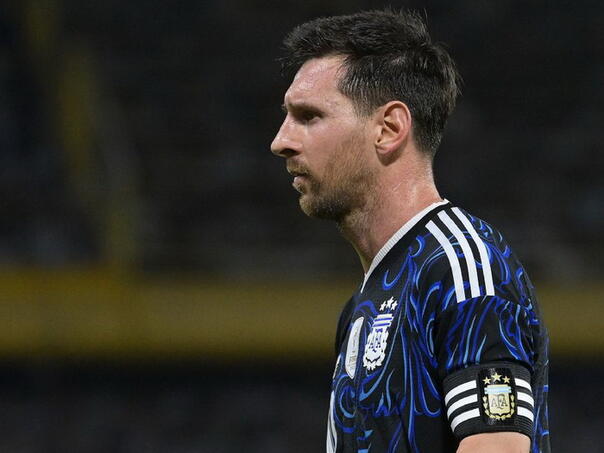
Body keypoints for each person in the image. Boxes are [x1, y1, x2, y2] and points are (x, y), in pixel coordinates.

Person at [270, 9, 549, 453]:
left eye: (308, 116)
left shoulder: (460, 266)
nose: (281, 141)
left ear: (389, 129)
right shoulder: (364, 304)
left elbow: (498, 447)